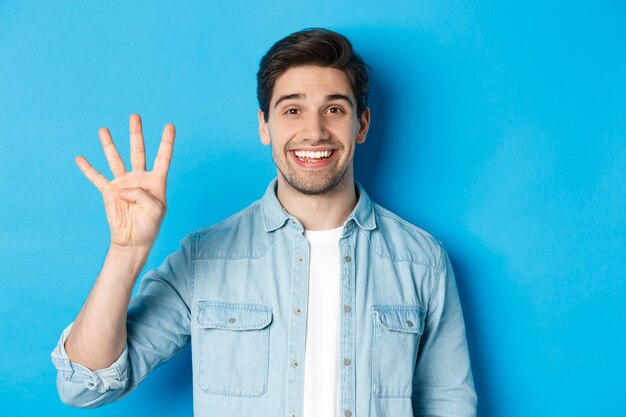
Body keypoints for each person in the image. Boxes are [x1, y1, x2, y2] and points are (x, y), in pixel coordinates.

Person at [51, 28, 477, 417]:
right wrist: (127, 253)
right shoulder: (203, 257)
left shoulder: (422, 262)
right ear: (264, 126)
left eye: (333, 109)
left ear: (361, 124)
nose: (314, 132)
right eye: (292, 110)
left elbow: (448, 403)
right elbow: (84, 386)